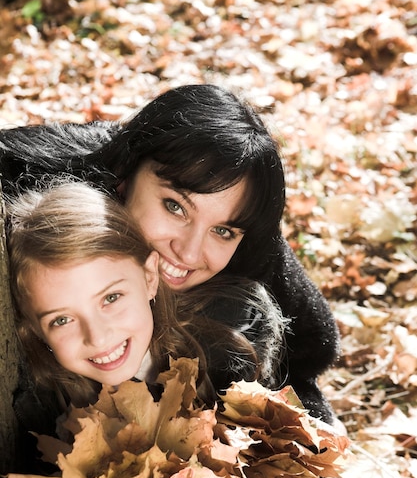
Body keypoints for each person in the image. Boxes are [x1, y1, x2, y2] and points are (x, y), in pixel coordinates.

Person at [3, 178, 319, 478]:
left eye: (111, 297)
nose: (99, 336)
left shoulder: (225, 345)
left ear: (149, 277)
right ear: (35, 331)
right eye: (61, 320)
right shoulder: (47, 411)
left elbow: (268, 465)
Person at [0, 83, 340, 425]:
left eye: (222, 231)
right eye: (175, 207)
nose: (189, 253)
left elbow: (308, 357)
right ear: (124, 177)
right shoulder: (53, 185)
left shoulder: (252, 254)